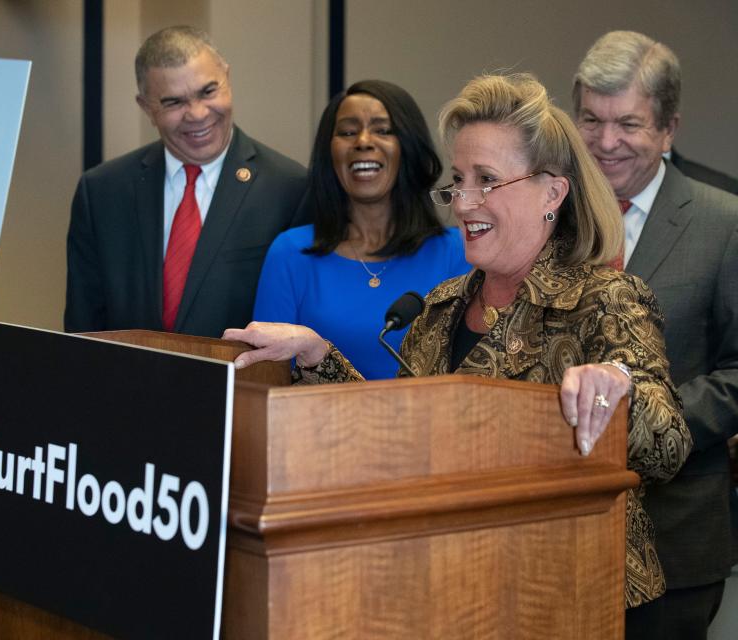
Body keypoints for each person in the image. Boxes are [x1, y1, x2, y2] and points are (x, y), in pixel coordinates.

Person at [225, 73, 691, 610]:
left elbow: (669, 445)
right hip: (455, 591)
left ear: (552, 192)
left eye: (487, 180)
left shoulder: (605, 298)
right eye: (458, 180)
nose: (464, 202)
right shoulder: (443, 305)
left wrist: (620, 385)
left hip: (570, 596)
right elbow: (400, 438)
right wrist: (317, 354)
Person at [573, 30, 738, 638]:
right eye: (591, 119)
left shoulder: (725, 224)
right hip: (557, 535)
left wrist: (641, 420)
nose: (607, 142)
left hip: (676, 540)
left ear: (669, 129)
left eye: (630, 124)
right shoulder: (543, 219)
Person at [64, 26, 308, 338]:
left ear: (227, 79)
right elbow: (83, 329)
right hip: (126, 383)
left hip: (242, 384)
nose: (196, 114)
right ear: (146, 107)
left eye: (208, 92)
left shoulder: (289, 188)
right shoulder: (101, 192)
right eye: (173, 102)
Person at [253, 80, 469, 379]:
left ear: (409, 147)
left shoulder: (460, 252)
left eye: (382, 130)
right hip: (310, 424)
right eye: (347, 132)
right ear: (330, 153)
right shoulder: (290, 253)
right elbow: (266, 381)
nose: (363, 141)